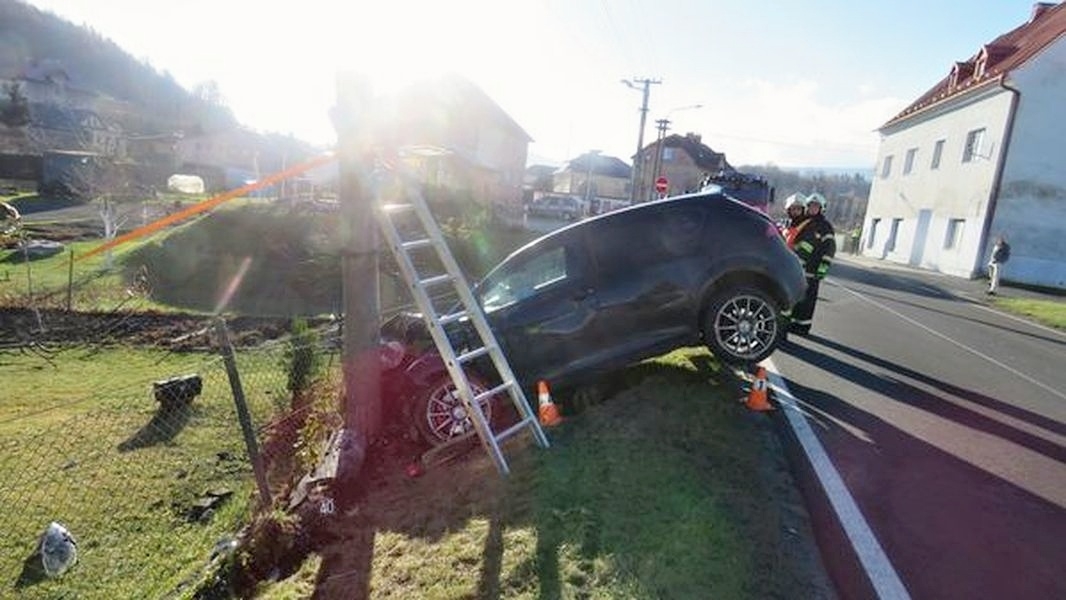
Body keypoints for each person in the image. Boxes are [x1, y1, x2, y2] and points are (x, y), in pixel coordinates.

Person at [788, 192, 835, 335]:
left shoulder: (825, 226)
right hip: (799, 267)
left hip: (813, 269)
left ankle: (803, 327)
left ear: (821, 208)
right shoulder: (804, 223)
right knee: (797, 297)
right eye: (811, 206)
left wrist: (823, 267)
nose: (813, 209)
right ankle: (793, 323)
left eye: (816, 206)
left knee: (808, 300)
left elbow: (830, 248)